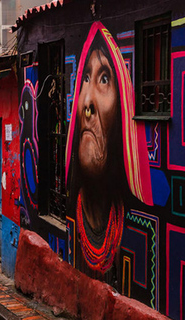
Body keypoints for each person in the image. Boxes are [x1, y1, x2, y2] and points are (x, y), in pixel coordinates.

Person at [65, 21, 153, 274]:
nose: (87, 103)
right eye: (84, 79)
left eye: (104, 79)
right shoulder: (68, 205)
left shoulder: (143, 226)